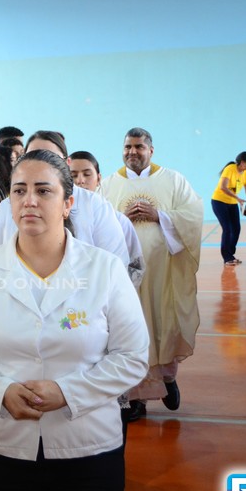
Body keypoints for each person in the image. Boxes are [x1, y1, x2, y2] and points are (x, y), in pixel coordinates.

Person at [0, 150, 149, 491]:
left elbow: (132, 356)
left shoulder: (104, 269)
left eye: (44, 191)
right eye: (19, 191)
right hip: (1, 449)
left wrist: (67, 392)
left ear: (68, 204)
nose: (29, 200)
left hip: (88, 449)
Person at [100, 128, 202, 416]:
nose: (132, 152)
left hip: (163, 272)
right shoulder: (108, 185)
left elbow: (193, 215)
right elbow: (98, 224)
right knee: (130, 330)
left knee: (162, 325)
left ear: (151, 150)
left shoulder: (173, 180)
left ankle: (168, 378)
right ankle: (137, 398)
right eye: (128, 147)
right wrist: (122, 220)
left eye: (139, 147)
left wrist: (160, 216)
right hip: (124, 275)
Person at [0, 132, 130, 270]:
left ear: (67, 163)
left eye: (51, 158)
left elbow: (115, 263)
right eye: (33, 156)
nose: (40, 165)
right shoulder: (3, 210)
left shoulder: (95, 205)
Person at [68, 150, 145, 289]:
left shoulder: (120, 220)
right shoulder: (59, 218)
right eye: (73, 176)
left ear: (98, 179)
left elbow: (135, 265)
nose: (80, 180)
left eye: (87, 174)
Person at [210, 151, 246, 265]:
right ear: (242, 162)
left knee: (236, 229)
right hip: (219, 201)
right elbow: (223, 187)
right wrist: (238, 198)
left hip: (232, 202)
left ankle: (230, 254)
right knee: (227, 229)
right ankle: (227, 258)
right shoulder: (230, 169)